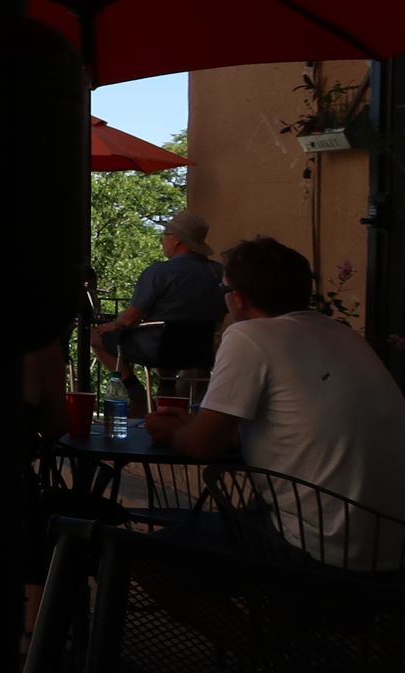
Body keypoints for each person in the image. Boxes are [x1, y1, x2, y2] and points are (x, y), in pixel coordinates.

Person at [147, 236, 405, 569]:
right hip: (390, 549)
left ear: (237, 299)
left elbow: (201, 446)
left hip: (319, 549)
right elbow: (294, 426)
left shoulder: (250, 336)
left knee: (140, 555)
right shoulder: (341, 334)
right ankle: (281, 621)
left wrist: (170, 432)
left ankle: (242, 625)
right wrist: (194, 424)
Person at [93, 209, 226, 391]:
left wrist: (112, 325)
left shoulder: (159, 273)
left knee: (95, 337)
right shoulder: (219, 273)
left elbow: (130, 319)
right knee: (170, 335)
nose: (163, 241)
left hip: (159, 349)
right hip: (203, 351)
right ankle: (169, 392)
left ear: (177, 239)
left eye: (164, 235)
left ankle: (136, 394)